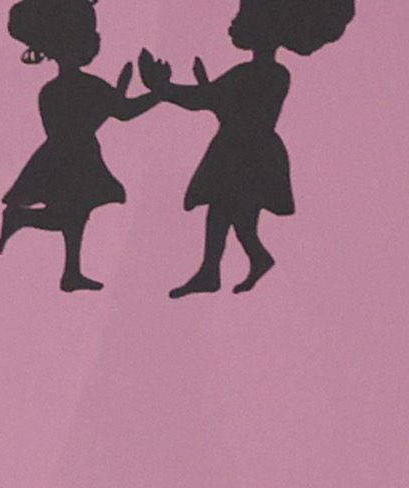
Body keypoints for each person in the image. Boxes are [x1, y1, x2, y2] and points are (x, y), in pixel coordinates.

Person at [143, 0, 349, 295]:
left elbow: (207, 99)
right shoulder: (270, 74)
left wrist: (164, 88)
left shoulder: (262, 74)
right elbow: (217, 101)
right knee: (233, 213)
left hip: (245, 150)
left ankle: (222, 267)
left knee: (229, 211)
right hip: (245, 147)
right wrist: (184, 90)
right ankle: (237, 263)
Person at [0, 0, 146, 292]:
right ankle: (23, 219)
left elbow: (96, 115)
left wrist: (115, 96)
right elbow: (122, 113)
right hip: (76, 156)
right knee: (71, 213)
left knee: (75, 214)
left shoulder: (50, 90)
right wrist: (159, 94)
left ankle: (70, 270)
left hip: (59, 155)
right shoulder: (87, 86)